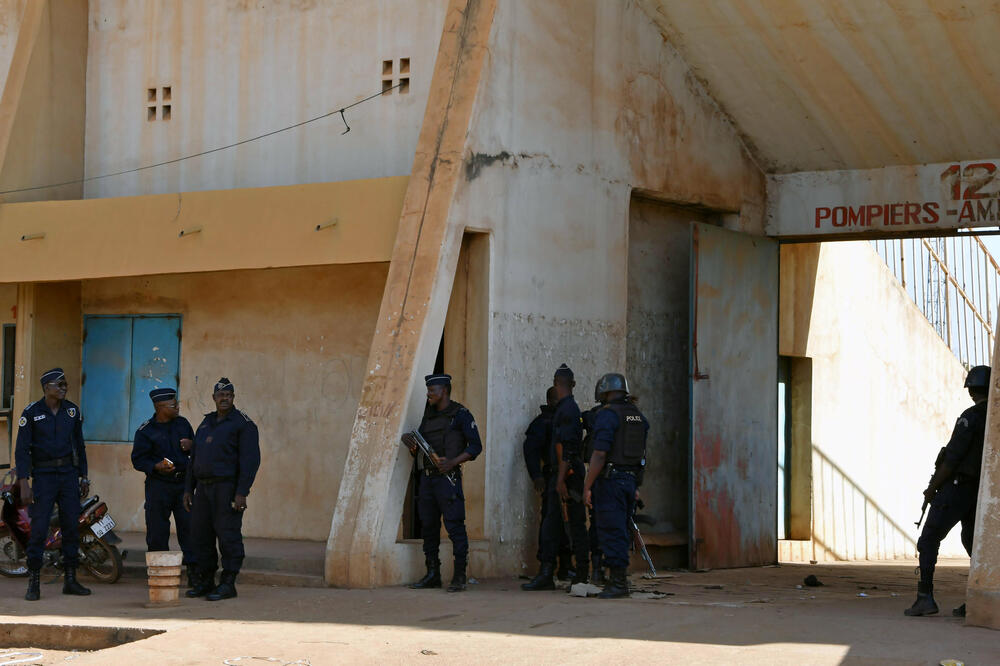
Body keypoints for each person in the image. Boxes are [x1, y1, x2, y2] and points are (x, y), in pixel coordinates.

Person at [905, 365, 990, 618]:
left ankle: (925, 597)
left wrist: (931, 489)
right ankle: (979, 599)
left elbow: (951, 459)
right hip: (979, 491)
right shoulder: (993, 417)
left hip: (958, 487)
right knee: (972, 542)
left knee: (929, 539)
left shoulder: (971, 416)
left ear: (972, 389)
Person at [14, 368, 91, 601]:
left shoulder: (72, 411)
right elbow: (22, 450)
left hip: (68, 474)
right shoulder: (31, 413)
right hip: (44, 476)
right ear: (47, 388)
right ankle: (34, 582)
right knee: (38, 529)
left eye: (65, 384)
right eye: (59, 385)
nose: (64, 388)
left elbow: (80, 445)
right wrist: (23, 481)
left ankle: (70, 579)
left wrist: (83, 476)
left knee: (71, 527)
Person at [183, 378, 260, 601]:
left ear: (233, 398)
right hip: (203, 491)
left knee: (228, 536)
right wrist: (189, 489)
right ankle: (206, 582)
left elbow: (250, 461)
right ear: (214, 398)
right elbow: (194, 459)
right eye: (220, 395)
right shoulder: (206, 423)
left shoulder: (243, 424)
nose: (224, 399)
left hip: (227, 488)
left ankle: (228, 583)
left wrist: (241, 492)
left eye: (228, 395)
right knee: (200, 536)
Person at [406, 373, 483, 593]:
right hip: (428, 479)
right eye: (428, 390)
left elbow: (475, 446)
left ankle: (459, 576)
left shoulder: (460, 414)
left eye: (433, 390)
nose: (429, 394)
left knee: (455, 527)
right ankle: (432, 574)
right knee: (428, 528)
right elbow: (420, 447)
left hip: (448, 480)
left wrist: (452, 462)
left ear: (445, 391)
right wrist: (412, 446)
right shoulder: (428, 416)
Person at [522, 364, 589, 591]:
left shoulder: (567, 410)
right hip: (561, 476)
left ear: (555, 383)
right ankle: (550, 573)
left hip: (566, 476)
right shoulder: (566, 409)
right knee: (553, 524)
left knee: (574, 524)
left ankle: (579, 573)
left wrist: (560, 480)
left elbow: (567, 449)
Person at [583, 372, 649, 599]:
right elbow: (642, 455)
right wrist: (636, 484)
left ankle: (618, 582)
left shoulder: (608, 415)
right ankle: (618, 579)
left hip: (611, 481)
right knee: (620, 530)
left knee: (611, 531)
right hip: (629, 481)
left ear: (605, 391)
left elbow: (599, 454)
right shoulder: (638, 416)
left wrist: (587, 485)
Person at [132, 387, 197, 585]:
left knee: (190, 530)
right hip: (158, 486)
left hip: (183, 486)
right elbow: (138, 460)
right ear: (160, 407)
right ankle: (159, 575)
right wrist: (155, 466)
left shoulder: (183, 424)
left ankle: (195, 575)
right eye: (173, 405)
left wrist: (192, 445)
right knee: (157, 532)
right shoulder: (146, 431)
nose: (177, 407)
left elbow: (196, 453)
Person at [523, 387, 573, 581]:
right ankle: (546, 568)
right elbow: (531, 450)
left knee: (568, 524)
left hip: (570, 479)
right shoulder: (542, 423)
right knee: (551, 523)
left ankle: (566, 565)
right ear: (552, 401)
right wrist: (536, 476)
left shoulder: (566, 420)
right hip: (552, 478)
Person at [582, 380, 606, 586]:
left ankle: (599, 569)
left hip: (602, 478)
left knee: (598, 524)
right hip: (624, 479)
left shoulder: (597, 415)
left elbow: (597, 454)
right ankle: (615, 573)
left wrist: (587, 486)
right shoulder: (632, 415)